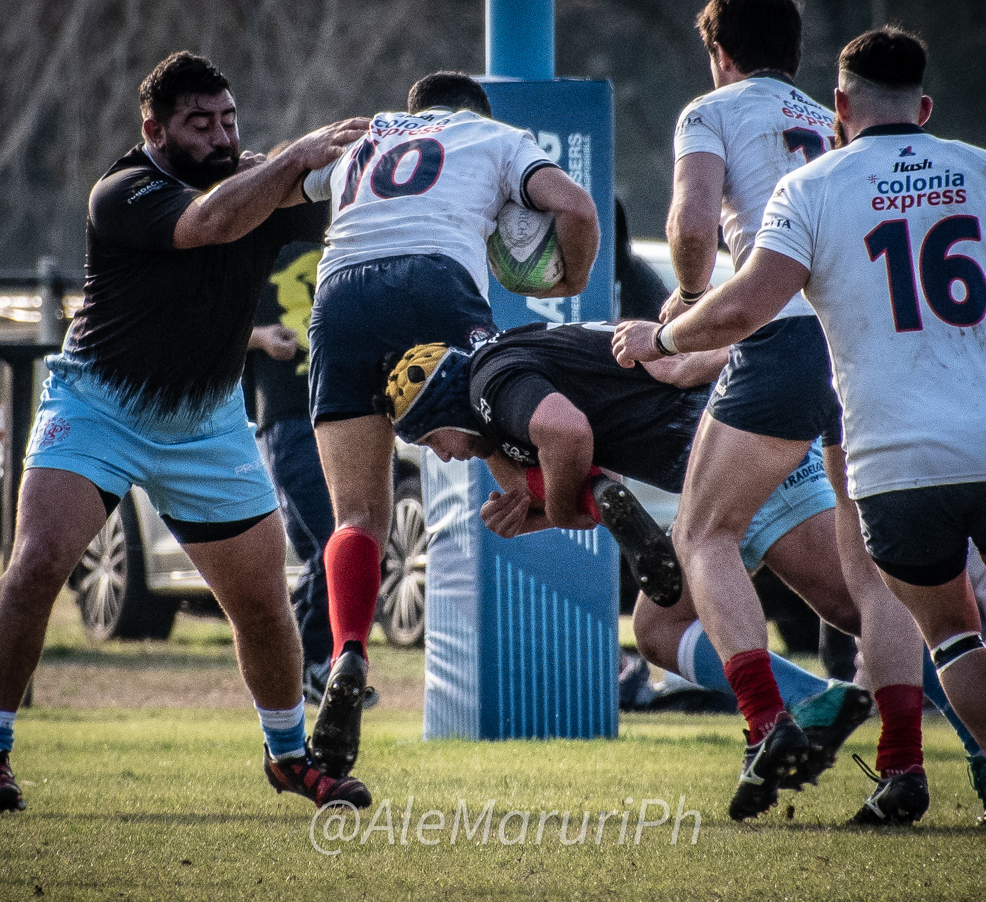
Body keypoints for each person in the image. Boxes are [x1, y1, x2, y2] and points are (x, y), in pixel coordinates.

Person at [615, 28, 986, 844]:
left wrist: (662, 339)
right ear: (928, 105)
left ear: (839, 107)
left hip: (896, 460)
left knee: (946, 632)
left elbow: (741, 308)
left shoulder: (809, 187)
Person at [0, 51, 371, 815]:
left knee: (262, 603)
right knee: (39, 561)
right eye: (199, 123)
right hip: (99, 405)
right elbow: (212, 221)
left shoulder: (260, 181)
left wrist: (402, 160)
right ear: (154, 129)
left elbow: (349, 198)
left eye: (228, 120)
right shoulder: (123, 190)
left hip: (205, 418)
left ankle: (288, 757)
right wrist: (292, 158)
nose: (220, 136)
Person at [656, 0, 933, 824]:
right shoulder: (835, 117)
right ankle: (902, 766)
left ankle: (767, 722)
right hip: (865, 349)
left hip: (780, 339)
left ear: (720, 54)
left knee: (704, 531)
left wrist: (686, 303)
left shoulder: (712, 110)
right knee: (873, 573)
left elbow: (693, 223)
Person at [380, 325, 878, 790]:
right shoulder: (507, 387)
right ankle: (808, 702)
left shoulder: (489, 383)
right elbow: (600, 483)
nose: (442, 456)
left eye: (430, 440)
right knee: (657, 630)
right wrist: (547, 513)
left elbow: (567, 434)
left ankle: (915, 736)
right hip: (713, 471)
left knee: (871, 604)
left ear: (445, 409)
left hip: (740, 450)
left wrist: (555, 508)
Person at [299, 72, 599, 779]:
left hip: (338, 295)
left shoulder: (364, 137)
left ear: (416, 112)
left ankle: (347, 650)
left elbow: (285, 184)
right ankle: (584, 494)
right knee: (502, 420)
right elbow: (577, 207)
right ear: (476, 112)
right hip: (433, 280)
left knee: (358, 515)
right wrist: (568, 280)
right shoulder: (494, 136)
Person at [243, 199, 339, 698]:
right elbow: (201, 330)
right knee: (330, 547)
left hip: (342, 415)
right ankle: (312, 666)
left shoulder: (339, 242)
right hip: (287, 419)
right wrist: (259, 339)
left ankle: (307, 670)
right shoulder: (250, 251)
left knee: (332, 552)